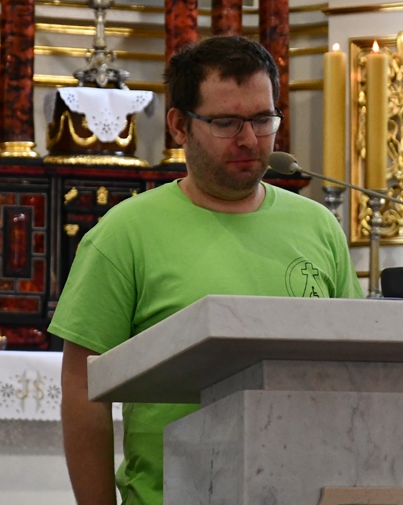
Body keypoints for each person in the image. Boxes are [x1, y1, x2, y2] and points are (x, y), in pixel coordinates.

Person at [48, 35, 364, 505]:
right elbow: (82, 389)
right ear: (179, 126)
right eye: (225, 122)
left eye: (263, 119)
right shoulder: (126, 233)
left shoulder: (317, 226)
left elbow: (356, 368)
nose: (249, 139)